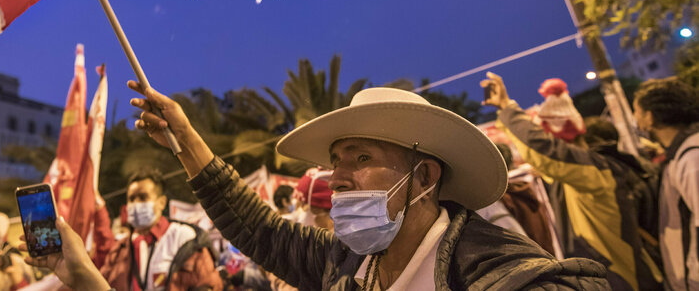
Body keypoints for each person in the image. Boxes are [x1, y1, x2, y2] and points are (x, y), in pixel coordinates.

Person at [129, 81, 609, 290]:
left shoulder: (494, 270)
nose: (336, 178)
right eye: (336, 161)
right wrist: (186, 140)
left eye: (361, 158)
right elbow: (261, 231)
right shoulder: (348, 264)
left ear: (424, 177)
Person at [482, 72, 663, 290]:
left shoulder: (595, 171)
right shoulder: (576, 176)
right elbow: (540, 156)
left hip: (622, 281)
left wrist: (506, 106)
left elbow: (543, 151)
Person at [99, 169, 223, 291]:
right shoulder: (120, 248)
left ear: (162, 202)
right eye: (131, 199)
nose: (136, 204)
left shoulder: (185, 238)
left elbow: (208, 283)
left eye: (143, 197)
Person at [633, 78, 699, 290]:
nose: (635, 119)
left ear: (650, 117)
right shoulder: (681, 155)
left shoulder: (691, 159)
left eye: (636, 111)